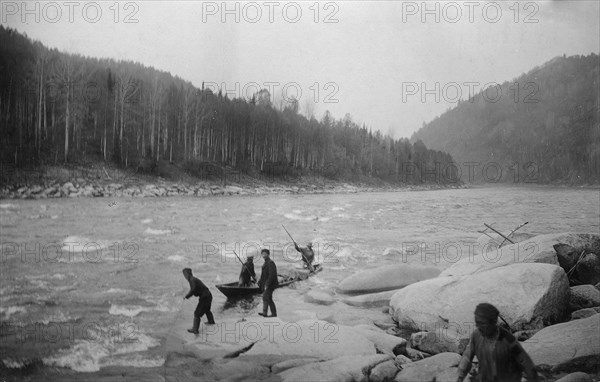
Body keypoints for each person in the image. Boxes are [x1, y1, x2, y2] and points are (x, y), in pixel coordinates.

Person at [456, 303, 539, 382]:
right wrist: (460, 377)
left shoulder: (508, 340)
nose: (478, 327)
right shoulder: (476, 336)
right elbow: (467, 357)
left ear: (493, 322)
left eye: (482, 323)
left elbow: (525, 362)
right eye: (477, 323)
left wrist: (533, 378)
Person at [182, 268, 215, 334]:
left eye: (185, 275)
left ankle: (195, 329)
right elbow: (194, 290)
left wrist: (187, 296)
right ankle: (211, 321)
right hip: (208, 295)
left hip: (205, 297)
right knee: (207, 309)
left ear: (188, 274)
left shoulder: (192, 280)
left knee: (197, 313)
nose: (185, 277)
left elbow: (193, 289)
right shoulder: (193, 279)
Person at [257, 249, 278, 317]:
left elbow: (272, 275)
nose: (264, 255)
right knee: (269, 298)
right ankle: (273, 314)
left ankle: (265, 313)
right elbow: (263, 274)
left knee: (265, 297)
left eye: (265, 254)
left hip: (271, 284)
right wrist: (260, 281)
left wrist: (267, 284)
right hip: (267, 283)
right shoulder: (265, 262)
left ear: (268, 254)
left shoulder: (270, 263)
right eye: (262, 254)